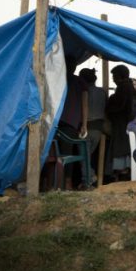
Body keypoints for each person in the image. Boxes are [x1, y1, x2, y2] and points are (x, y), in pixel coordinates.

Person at [56, 56, 90, 188]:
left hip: (55, 122)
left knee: (52, 153)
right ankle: (67, 183)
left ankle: (49, 183)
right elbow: (85, 104)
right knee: (68, 154)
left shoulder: (56, 79)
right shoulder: (80, 82)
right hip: (70, 123)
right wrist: (84, 124)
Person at [106, 64, 134, 180]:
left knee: (121, 149)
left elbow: (120, 106)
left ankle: (122, 173)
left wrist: (109, 107)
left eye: (114, 76)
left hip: (122, 124)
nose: (113, 79)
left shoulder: (123, 87)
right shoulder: (130, 87)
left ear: (119, 76)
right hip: (126, 123)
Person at [80, 68, 106, 183]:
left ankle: (89, 178)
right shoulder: (102, 92)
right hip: (99, 129)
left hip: (86, 127)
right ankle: (89, 178)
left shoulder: (84, 91)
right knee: (89, 155)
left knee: (84, 156)